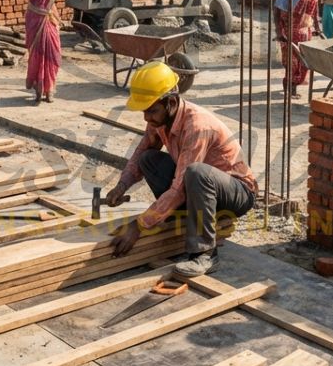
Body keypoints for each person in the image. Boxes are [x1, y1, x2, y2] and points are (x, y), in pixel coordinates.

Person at [106, 62, 257, 277]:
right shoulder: (160, 119)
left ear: (171, 102)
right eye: (145, 111)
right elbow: (140, 153)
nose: (147, 118)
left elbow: (180, 186)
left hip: (237, 193)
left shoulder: (197, 126)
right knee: (148, 159)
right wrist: (121, 186)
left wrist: (138, 225)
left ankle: (204, 255)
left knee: (196, 173)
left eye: (151, 111)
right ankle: (179, 215)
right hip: (201, 190)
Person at [12, 0, 72, 105]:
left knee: (52, 55)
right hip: (34, 21)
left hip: (49, 20)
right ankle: (38, 90)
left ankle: (50, 89)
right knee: (37, 56)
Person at [274, 0, 320, 99]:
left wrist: (317, 25)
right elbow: (277, 9)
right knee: (291, 63)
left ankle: (294, 85)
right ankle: (290, 88)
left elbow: (316, 6)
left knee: (304, 63)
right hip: (289, 30)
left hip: (305, 30)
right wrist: (278, 30)